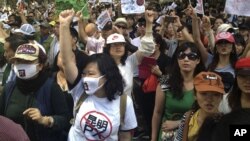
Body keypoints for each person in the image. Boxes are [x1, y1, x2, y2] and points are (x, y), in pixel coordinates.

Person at [59, 9, 137, 140]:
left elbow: (125, 135)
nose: (85, 78)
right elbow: (67, 61)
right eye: (84, 74)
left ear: (106, 76)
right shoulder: (80, 91)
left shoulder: (124, 102)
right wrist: (64, 25)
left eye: (91, 73)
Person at [0, 43, 71, 141]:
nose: (22, 65)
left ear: (40, 65)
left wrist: (46, 120)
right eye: (18, 61)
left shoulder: (51, 88)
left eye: (27, 61)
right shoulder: (9, 88)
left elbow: (65, 119)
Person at [151, 42, 205, 141]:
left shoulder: (203, 84)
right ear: (177, 59)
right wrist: (153, 138)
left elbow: (205, 113)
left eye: (191, 56)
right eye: (182, 56)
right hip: (167, 136)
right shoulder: (165, 83)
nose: (186, 59)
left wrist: (179, 123)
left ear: (198, 60)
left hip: (193, 134)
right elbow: (157, 113)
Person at [175, 71, 225, 141]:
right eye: (204, 94)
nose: (209, 99)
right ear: (195, 95)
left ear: (221, 97)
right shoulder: (188, 117)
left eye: (215, 94)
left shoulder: (226, 122)